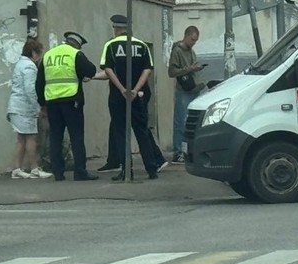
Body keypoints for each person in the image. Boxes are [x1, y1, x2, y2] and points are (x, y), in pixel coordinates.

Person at [100, 14, 167, 180]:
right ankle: (151, 169)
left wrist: (122, 89)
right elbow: (147, 70)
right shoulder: (141, 45)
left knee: (121, 133)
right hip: (137, 96)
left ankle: (126, 171)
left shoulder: (110, 45)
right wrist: (135, 90)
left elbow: (108, 70)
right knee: (141, 131)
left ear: (116, 28)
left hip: (117, 96)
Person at [36, 31, 105, 181]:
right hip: (71, 101)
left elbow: (39, 82)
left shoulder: (48, 55)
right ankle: (80, 172)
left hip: (52, 101)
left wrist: (42, 104)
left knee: (56, 137)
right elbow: (91, 70)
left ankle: (58, 172)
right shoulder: (75, 54)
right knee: (76, 137)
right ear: (77, 45)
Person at [8, 38, 51, 179]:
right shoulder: (29, 67)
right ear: (33, 53)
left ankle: (17, 169)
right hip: (24, 108)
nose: (39, 56)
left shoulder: (20, 64)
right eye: (39, 53)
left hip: (16, 106)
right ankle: (34, 168)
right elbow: (30, 90)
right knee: (31, 138)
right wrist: (38, 108)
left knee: (21, 139)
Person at [168, 26, 204, 163]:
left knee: (192, 123)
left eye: (196, 40)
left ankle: (188, 150)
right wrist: (190, 69)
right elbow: (172, 72)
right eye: (192, 39)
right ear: (186, 36)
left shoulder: (191, 52)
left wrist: (196, 69)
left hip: (193, 88)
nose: (194, 43)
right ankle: (178, 152)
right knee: (180, 122)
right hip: (183, 90)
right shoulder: (177, 51)